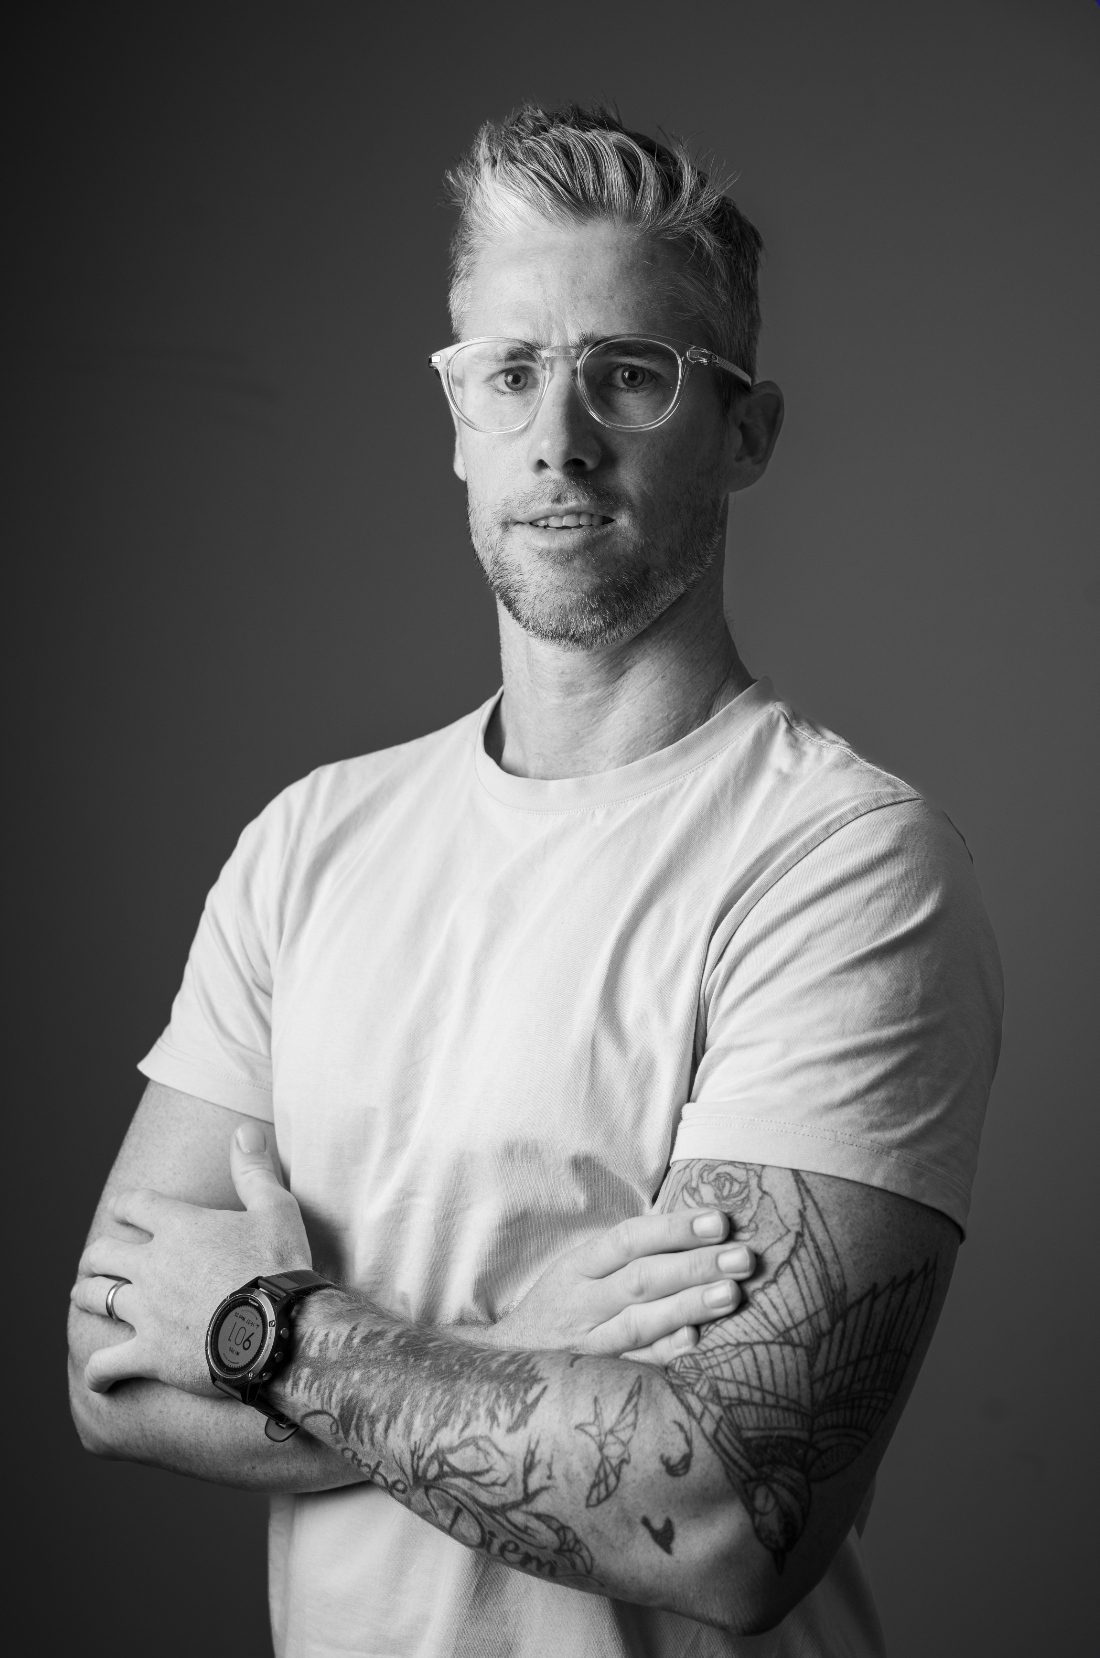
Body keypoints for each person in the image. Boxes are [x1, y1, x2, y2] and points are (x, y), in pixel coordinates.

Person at [68, 104, 1002, 1657]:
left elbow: (726, 1515)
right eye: (509, 374)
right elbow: (108, 1364)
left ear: (748, 432)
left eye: (628, 374)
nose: (558, 439)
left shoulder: (844, 864)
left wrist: (274, 1332)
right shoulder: (308, 842)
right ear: (456, 419)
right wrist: (517, 1343)